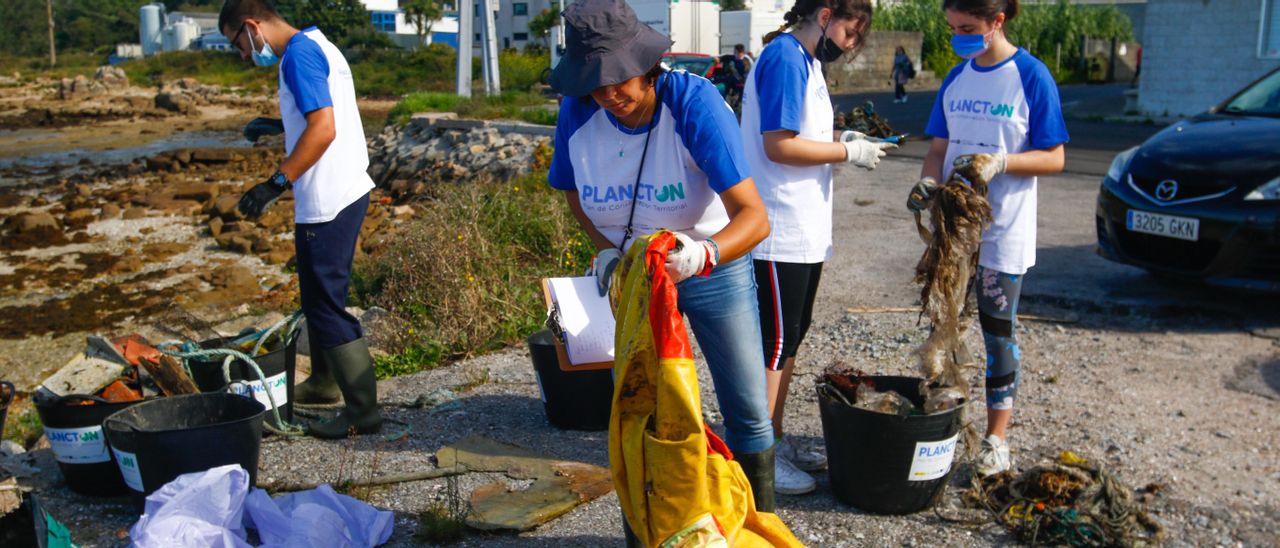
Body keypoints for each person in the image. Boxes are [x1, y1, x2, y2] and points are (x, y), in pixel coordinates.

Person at [546, 0, 777, 511]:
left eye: (619, 80)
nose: (609, 95)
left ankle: (759, 521)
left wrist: (704, 253)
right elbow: (572, 194)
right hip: (633, 275)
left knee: (747, 407)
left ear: (645, 65)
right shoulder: (579, 112)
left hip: (710, 264)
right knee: (637, 408)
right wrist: (607, 252)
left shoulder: (694, 103)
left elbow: (755, 218)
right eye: (595, 82)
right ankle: (652, 526)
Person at [907, 0, 1068, 476]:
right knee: (944, 327)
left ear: (997, 22)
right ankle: (944, 424)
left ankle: (997, 439)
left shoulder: (1031, 77)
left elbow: (1055, 157)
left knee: (998, 333)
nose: (959, 36)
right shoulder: (957, 78)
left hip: (1004, 231)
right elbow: (938, 148)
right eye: (953, 27)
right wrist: (927, 184)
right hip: (954, 233)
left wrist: (1003, 162)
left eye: (968, 27)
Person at [741, 0, 893, 496]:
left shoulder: (807, 61)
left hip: (803, 230)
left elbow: (805, 134)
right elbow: (779, 145)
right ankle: (757, 456)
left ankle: (775, 437)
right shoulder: (785, 57)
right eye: (851, 31)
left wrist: (842, 136)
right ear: (826, 14)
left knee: (792, 338)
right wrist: (848, 151)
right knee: (774, 344)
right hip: (778, 230)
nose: (850, 43)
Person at [219, 0, 382, 439]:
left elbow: (324, 129)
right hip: (345, 187)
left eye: (238, 43)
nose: (243, 55)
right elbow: (322, 114)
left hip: (328, 197)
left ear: (252, 26)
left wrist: (275, 182)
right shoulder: (317, 44)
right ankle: (327, 383)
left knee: (326, 305)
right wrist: (277, 124)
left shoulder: (297, 56)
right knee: (316, 298)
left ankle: (363, 412)